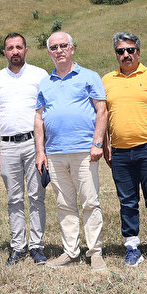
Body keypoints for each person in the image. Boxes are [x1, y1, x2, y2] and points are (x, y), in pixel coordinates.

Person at [35, 31, 109, 272]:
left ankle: (95, 252)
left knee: (90, 201)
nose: (59, 51)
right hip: (55, 153)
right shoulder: (45, 82)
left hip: (83, 151)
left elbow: (102, 110)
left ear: (72, 48)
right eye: (54, 47)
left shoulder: (89, 76)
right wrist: (40, 152)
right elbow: (38, 118)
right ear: (49, 53)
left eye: (63, 46)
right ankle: (70, 252)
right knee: (65, 204)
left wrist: (97, 143)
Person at [102, 32, 147, 268]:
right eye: (121, 51)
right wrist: (105, 146)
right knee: (127, 201)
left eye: (130, 50)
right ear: (116, 55)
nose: (126, 55)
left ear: (138, 52)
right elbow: (102, 116)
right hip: (120, 152)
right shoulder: (107, 80)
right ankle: (132, 246)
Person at [0, 33, 49, 266]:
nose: (15, 51)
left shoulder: (39, 75)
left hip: (34, 144)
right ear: (4, 52)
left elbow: (44, 112)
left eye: (19, 47)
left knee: (36, 196)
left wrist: (43, 148)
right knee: (14, 199)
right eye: (10, 48)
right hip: (7, 146)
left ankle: (36, 246)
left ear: (26, 50)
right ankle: (17, 247)